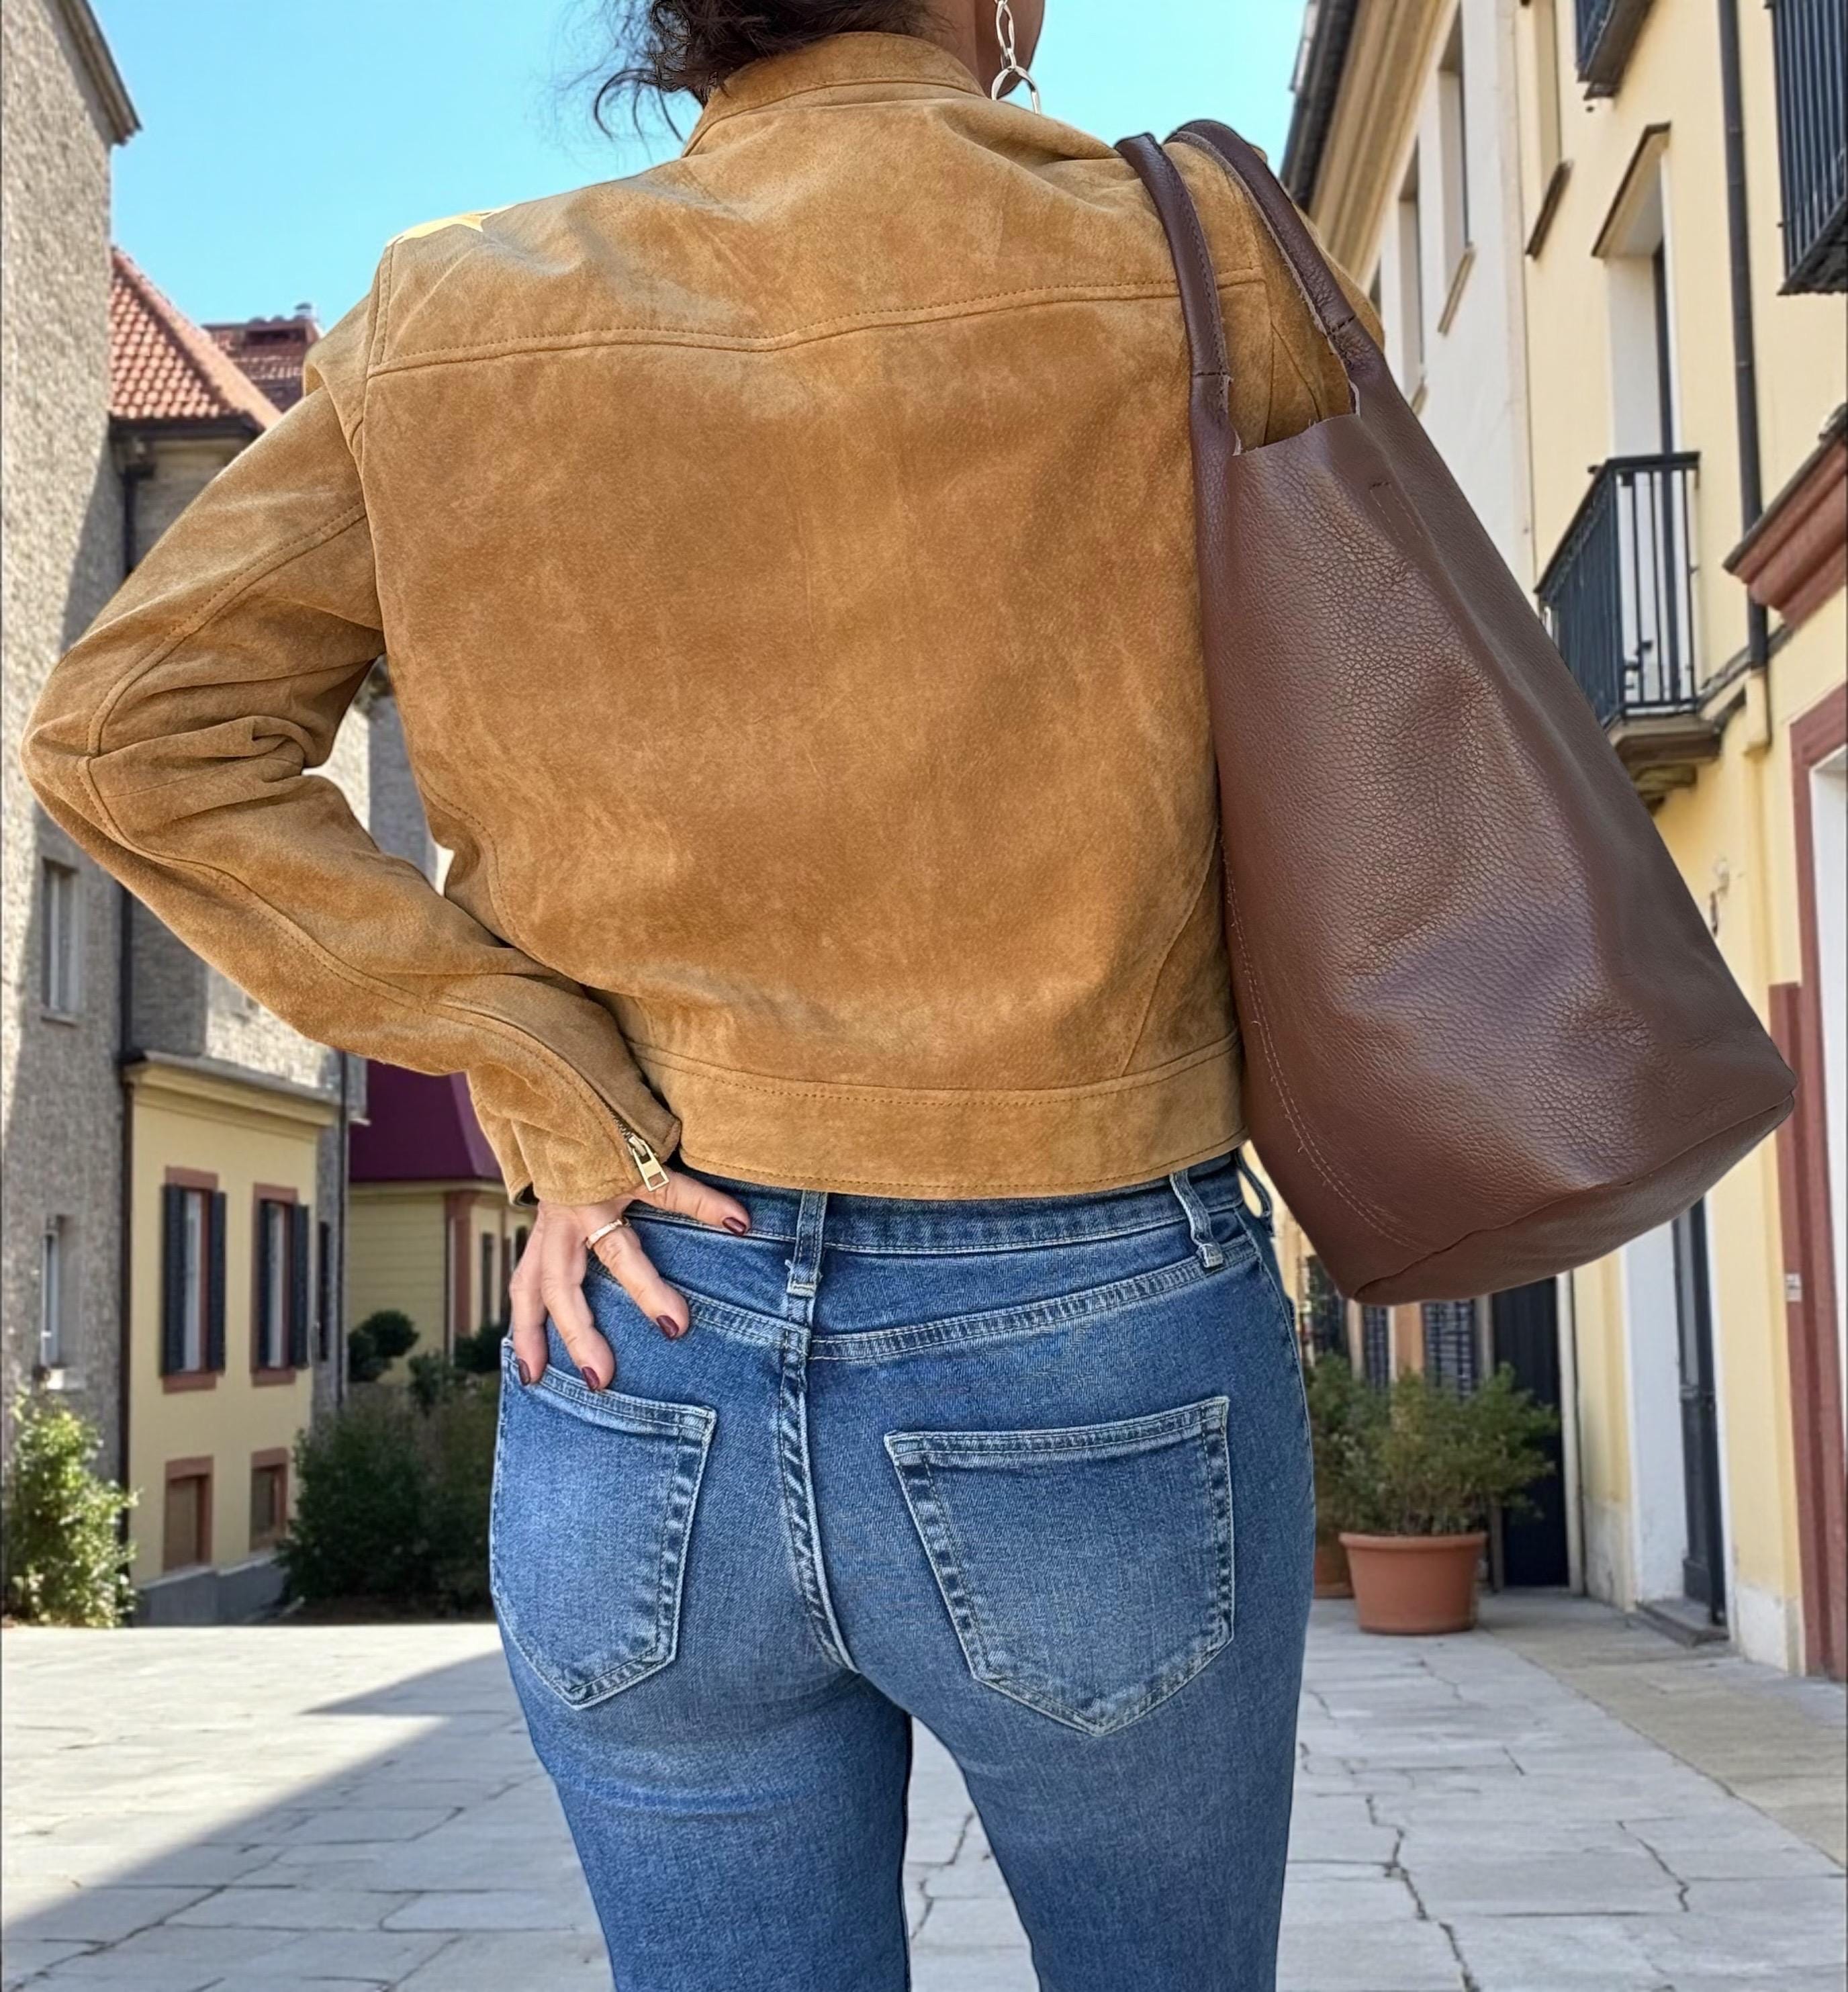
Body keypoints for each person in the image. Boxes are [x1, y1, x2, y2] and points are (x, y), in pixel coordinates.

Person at [23, 4, 1378, 1985]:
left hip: (641, 1325)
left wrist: (544, 1071)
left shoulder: (456, 313)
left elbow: (132, 735)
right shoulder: (1187, 257)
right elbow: (1393, 713)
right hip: (1094, 1318)